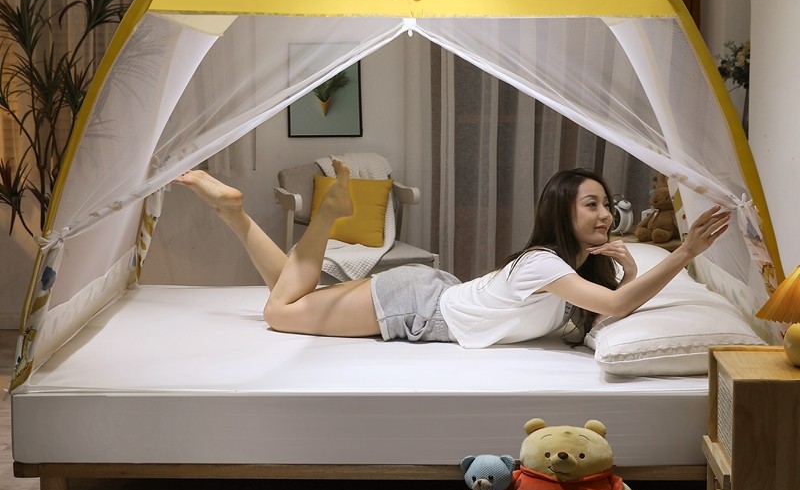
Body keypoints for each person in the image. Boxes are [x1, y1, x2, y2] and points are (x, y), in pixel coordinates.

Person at [175, 160, 730, 348]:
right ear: (562, 211)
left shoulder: (574, 268)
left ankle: (233, 214)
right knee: (280, 312)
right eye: (591, 204)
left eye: (607, 204)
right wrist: (684, 251)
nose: (605, 214)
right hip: (419, 306)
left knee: (291, 295)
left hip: (433, 291)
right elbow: (614, 308)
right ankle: (328, 213)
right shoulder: (544, 263)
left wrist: (625, 270)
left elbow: (606, 312)